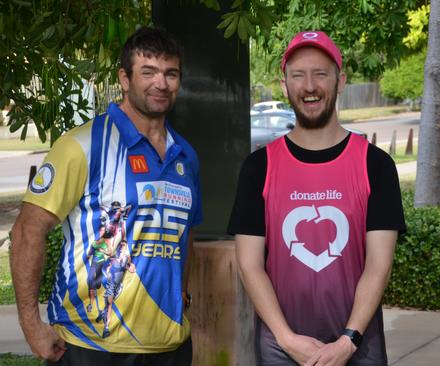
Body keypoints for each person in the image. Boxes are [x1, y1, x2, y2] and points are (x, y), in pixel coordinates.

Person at [10, 26, 202, 365]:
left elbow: (186, 234)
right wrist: (30, 323)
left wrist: (181, 296)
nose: (161, 83)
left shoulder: (185, 154)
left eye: (171, 73)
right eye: (149, 72)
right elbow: (28, 230)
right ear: (124, 79)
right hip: (90, 347)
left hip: (168, 347)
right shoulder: (82, 145)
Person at [228, 31, 405, 366]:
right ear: (285, 85)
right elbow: (250, 265)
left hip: (358, 345)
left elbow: (378, 266)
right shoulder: (258, 167)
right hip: (280, 347)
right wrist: (286, 338)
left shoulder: (375, 165)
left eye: (320, 73)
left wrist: (349, 339)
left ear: (341, 80)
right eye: (298, 75)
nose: (309, 86)